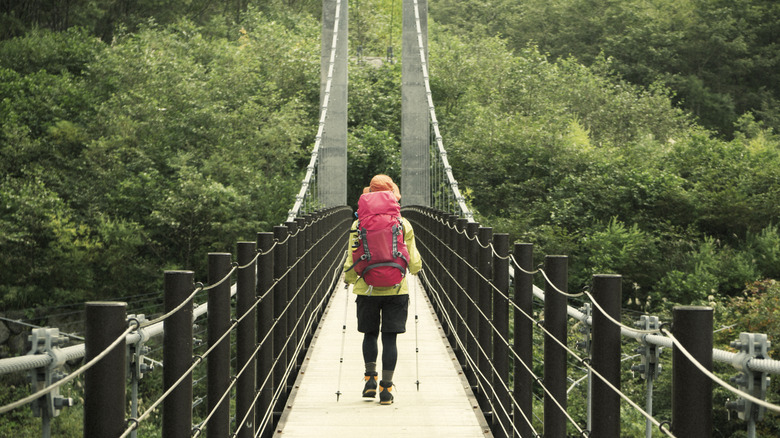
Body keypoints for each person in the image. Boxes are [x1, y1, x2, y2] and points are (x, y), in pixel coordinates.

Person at [343, 174, 422, 405]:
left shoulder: (358, 224)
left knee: (370, 334)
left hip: (366, 288)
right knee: (390, 340)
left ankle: (369, 379)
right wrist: (414, 269)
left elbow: (352, 259)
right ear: (394, 196)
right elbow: (415, 263)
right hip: (397, 289)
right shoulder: (403, 224)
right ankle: (386, 389)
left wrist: (349, 279)